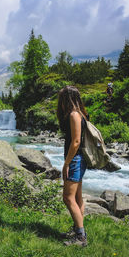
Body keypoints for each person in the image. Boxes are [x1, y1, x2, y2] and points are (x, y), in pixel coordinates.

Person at [57, 86, 88, 247]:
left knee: (68, 198)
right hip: (78, 159)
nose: (59, 103)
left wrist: (66, 164)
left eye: (61, 99)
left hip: (75, 160)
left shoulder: (74, 115)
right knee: (77, 198)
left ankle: (81, 238)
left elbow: (75, 142)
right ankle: (78, 229)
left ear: (67, 99)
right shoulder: (80, 113)